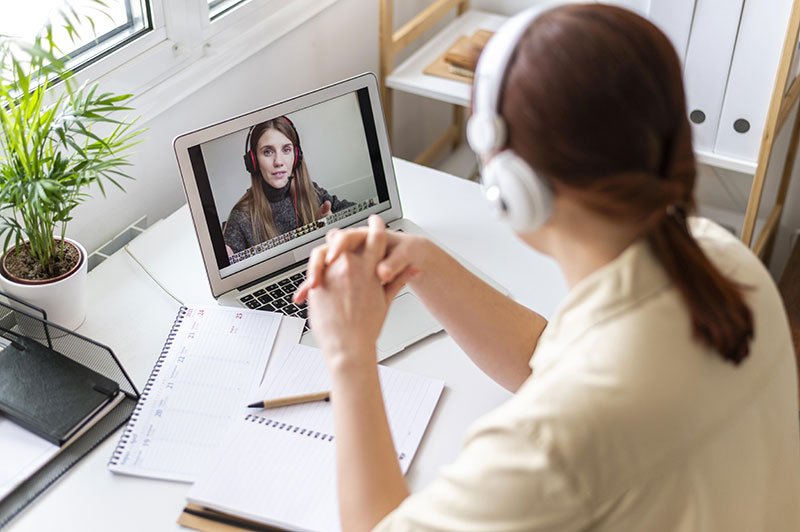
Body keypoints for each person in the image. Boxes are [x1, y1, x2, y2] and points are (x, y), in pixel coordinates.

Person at [293, 3, 800, 531]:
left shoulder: (557, 442)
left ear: (515, 184)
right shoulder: (720, 259)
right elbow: (545, 359)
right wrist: (424, 264)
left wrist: (349, 356)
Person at [223, 116, 353, 254]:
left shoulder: (313, 192)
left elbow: (364, 216)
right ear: (253, 161)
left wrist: (333, 224)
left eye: (286, 150)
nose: (278, 161)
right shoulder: (240, 218)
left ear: (296, 156)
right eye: (268, 152)